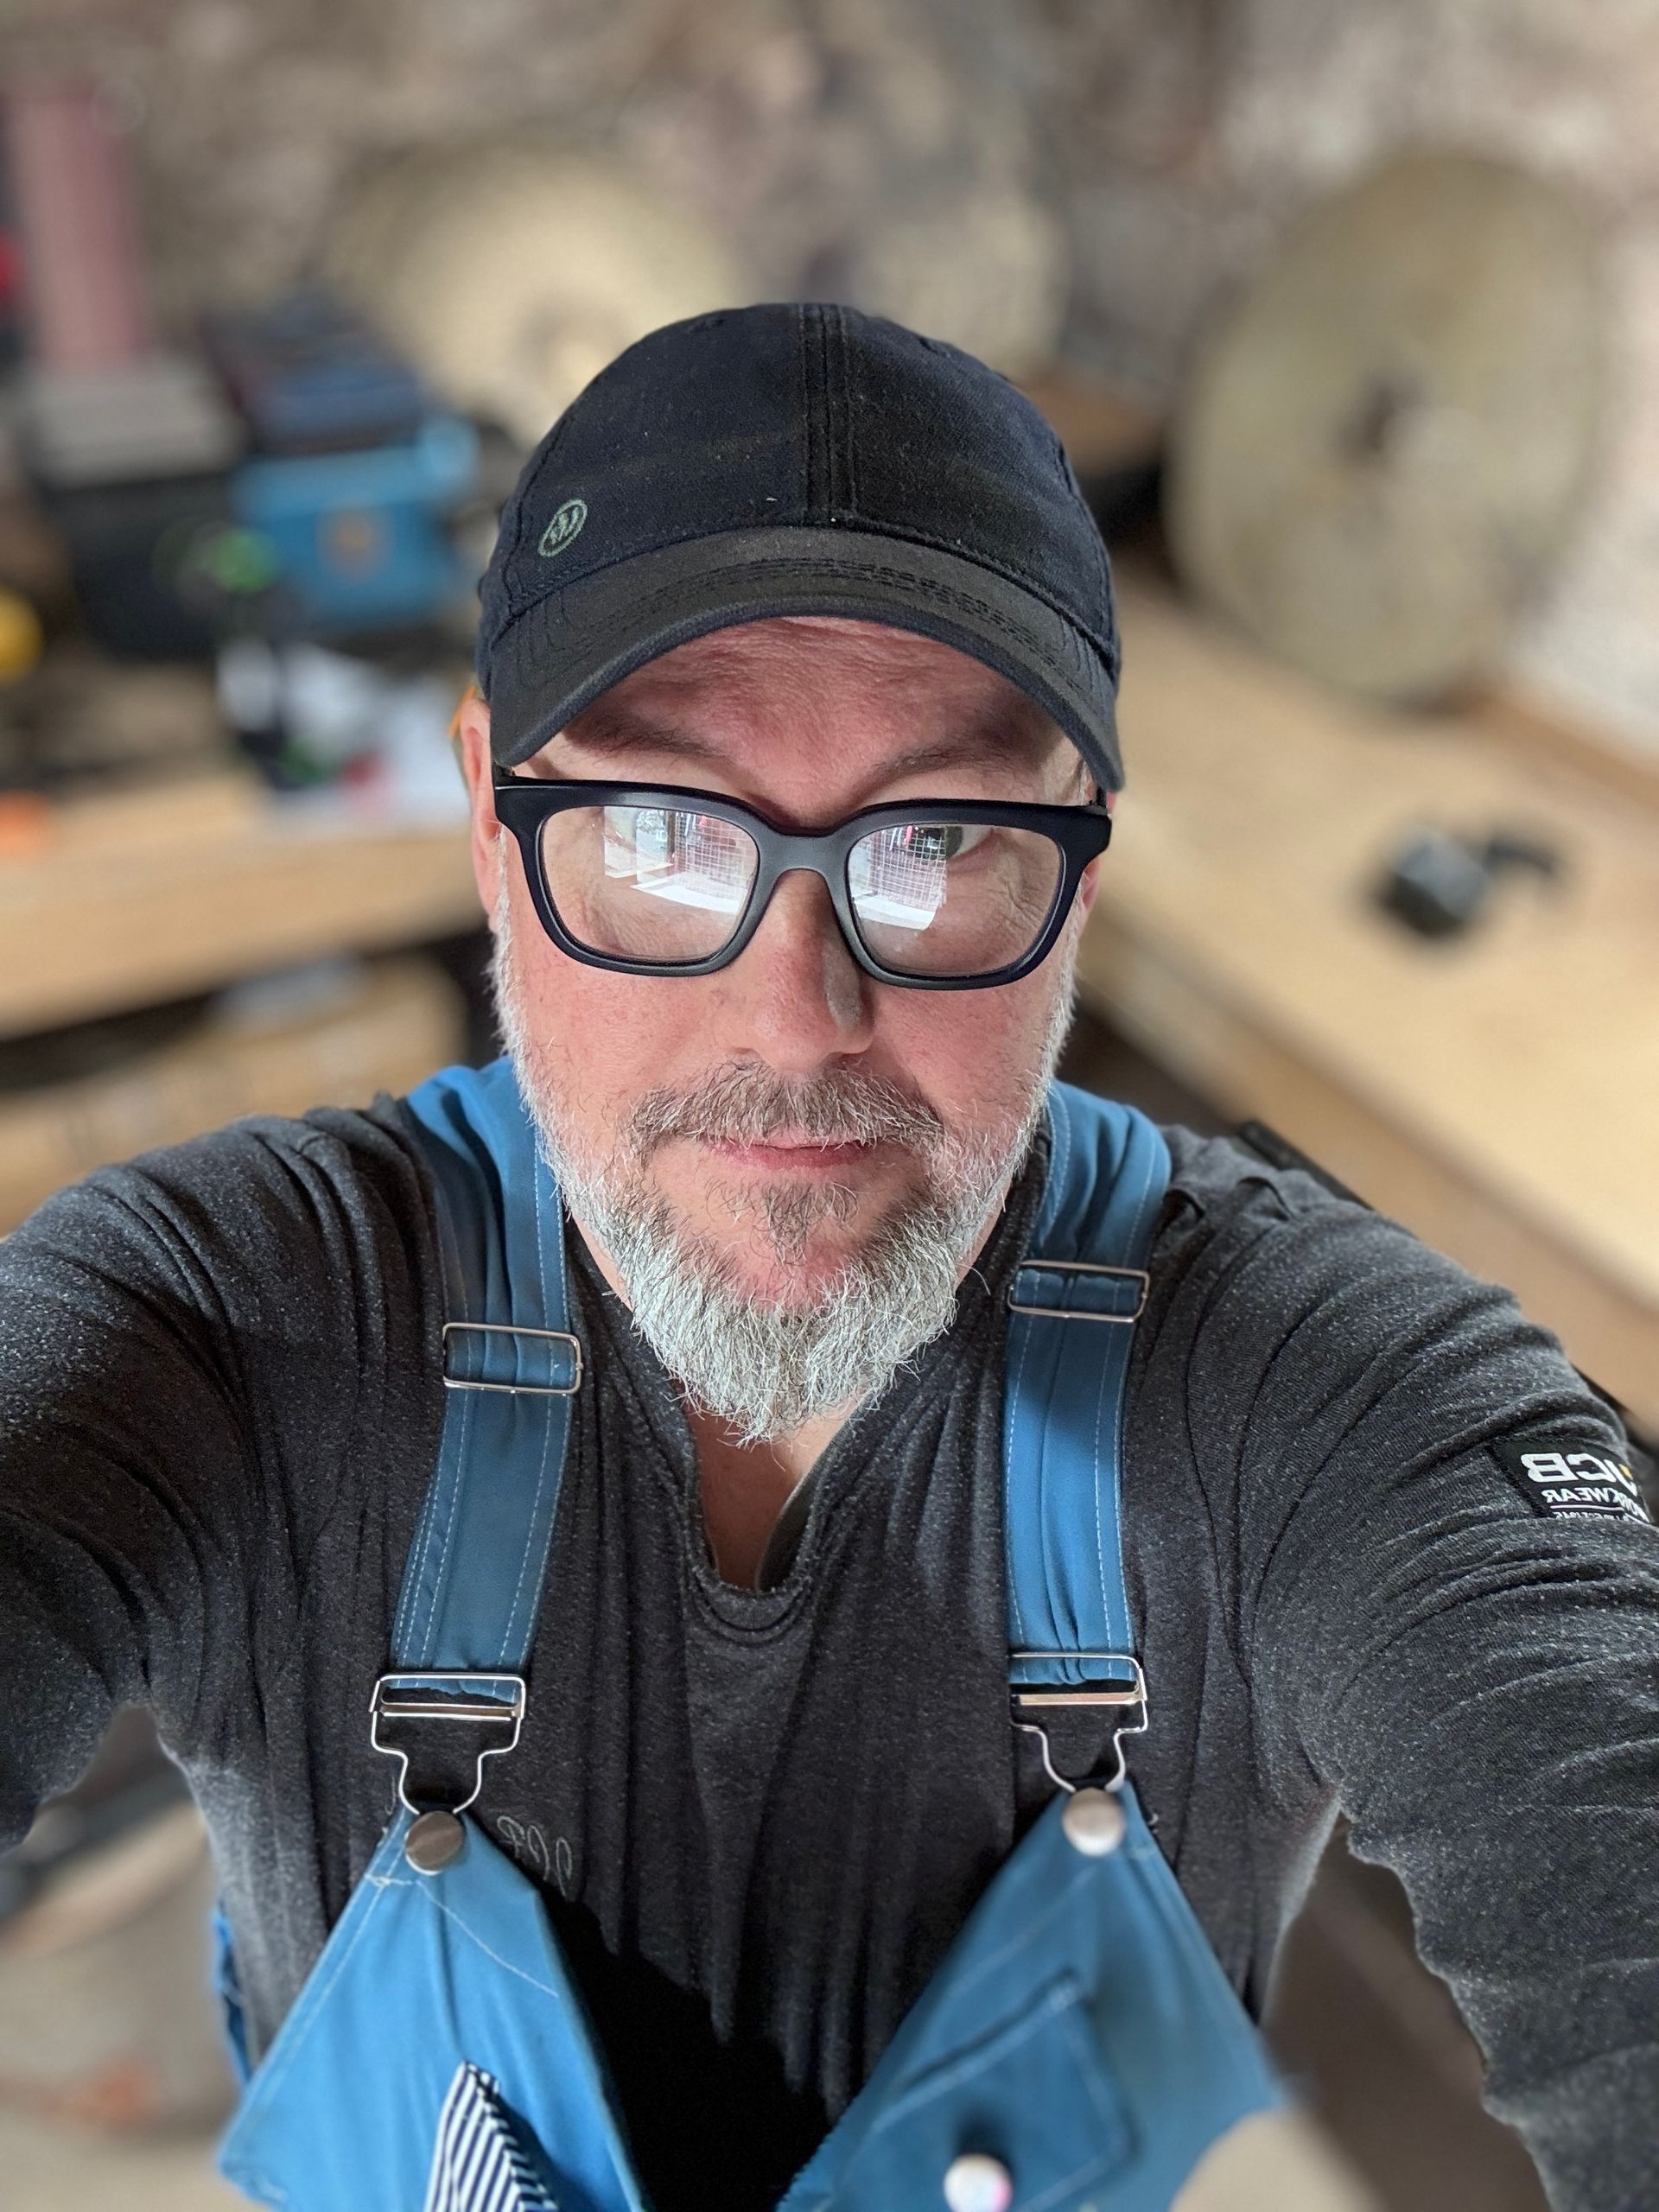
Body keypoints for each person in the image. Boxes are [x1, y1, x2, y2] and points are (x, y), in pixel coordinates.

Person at [1, 304, 1655, 2212]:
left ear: (1082, 867)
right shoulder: (222, 1320)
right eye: (659, 830)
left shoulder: (1315, 1382)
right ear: (488, 821)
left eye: (938, 835)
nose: (797, 1024)